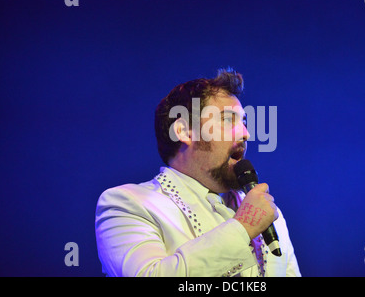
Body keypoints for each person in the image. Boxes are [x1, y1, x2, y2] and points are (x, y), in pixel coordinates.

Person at [95, 68, 301, 276]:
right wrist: (244, 226)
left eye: (244, 122)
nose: (245, 133)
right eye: (228, 120)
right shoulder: (127, 203)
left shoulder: (268, 213)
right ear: (184, 131)